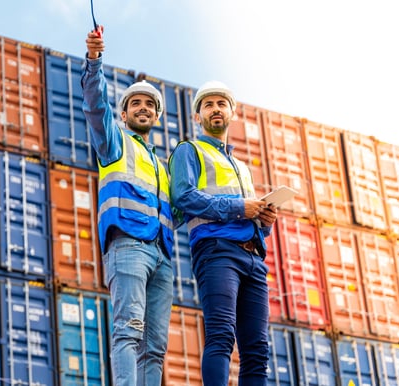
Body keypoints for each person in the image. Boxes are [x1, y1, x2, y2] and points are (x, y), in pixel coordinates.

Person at [81, 27, 179, 386]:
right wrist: (94, 61)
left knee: (155, 347)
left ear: (156, 117)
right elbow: (95, 105)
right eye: (136, 103)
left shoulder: (165, 168)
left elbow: (180, 212)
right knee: (128, 330)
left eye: (150, 105)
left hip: (163, 257)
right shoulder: (114, 144)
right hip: (128, 246)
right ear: (123, 114)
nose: (144, 108)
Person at [168, 80, 277, 385]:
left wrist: (265, 219)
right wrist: (239, 207)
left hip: (254, 259)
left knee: (257, 350)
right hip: (217, 252)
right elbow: (183, 196)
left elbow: (250, 217)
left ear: (232, 113)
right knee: (221, 335)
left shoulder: (243, 167)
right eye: (208, 105)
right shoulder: (188, 151)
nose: (215, 109)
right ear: (197, 116)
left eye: (221, 104)